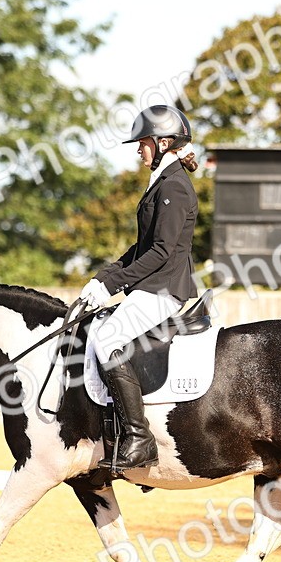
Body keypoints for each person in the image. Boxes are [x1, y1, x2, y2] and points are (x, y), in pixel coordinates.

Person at [79, 104, 200, 470]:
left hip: (164, 288)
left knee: (108, 338)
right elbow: (142, 247)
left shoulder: (174, 187)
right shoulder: (163, 182)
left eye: (143, 143)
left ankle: (138, 437)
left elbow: (162, 252)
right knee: (96, 331)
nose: (138, 150)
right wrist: (105, 276)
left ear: (164, 142)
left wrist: (115, 284)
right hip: (151, 285)